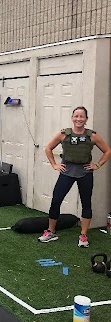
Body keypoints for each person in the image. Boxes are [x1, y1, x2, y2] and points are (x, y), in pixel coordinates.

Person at [39, 106, 111, 247]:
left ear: (86, 119)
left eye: (81, 116)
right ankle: (51, 232)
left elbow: (107, 151)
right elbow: (48, 148)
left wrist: (97, 165)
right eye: (76, 116)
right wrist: (54, 164)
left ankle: (83, 236)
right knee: (56, 200)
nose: (79, 119)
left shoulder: (92, 136)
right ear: (72, 118)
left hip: (85, 173)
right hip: (67, 171)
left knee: (86, 203)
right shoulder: (64, 134)